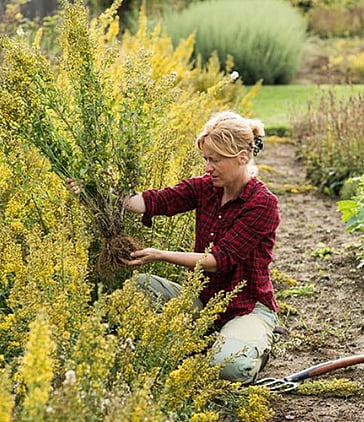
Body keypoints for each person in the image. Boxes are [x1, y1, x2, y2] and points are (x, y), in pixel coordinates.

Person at [115, 110, 280, 384]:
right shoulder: (205, 187)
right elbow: (153, 202)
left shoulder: (262, 203)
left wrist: (159, 255)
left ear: (242, 157)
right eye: (206, 159)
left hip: (246, 306)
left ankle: (254, 343)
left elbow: (218, 259)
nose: (208, 167)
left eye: (215, 160)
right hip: (204, 301)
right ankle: (212, 338)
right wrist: (93, 190)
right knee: (138, 287)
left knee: (231, 367)